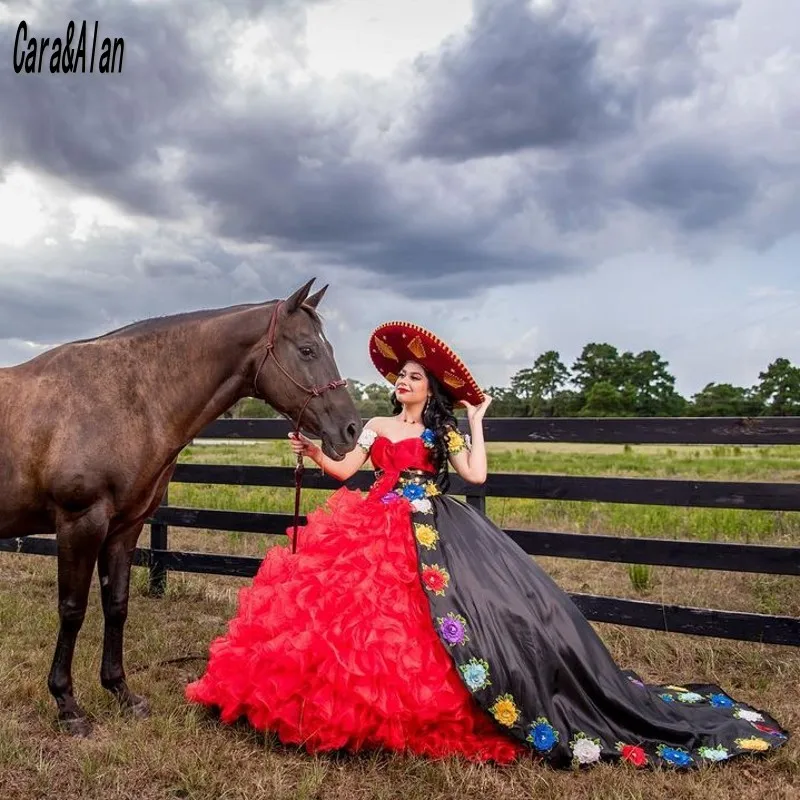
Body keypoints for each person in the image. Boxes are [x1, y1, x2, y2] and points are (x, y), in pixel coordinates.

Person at [185, 321, 789, 769]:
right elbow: (347, 475)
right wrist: (315, 453)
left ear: (429, 390)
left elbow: (475, 478)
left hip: (434, 526)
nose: (403, 382)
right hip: (372, 520)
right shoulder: (373, 426)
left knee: (439, 618)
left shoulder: (438, 430)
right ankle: (343, 710)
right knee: (352, 617)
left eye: (414, 377)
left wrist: (476, 419)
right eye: (400, 376)